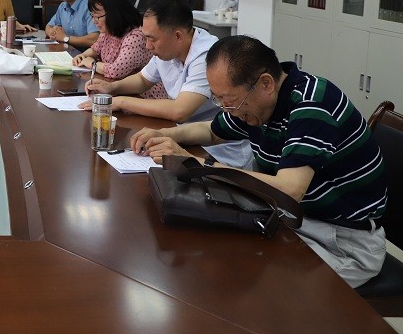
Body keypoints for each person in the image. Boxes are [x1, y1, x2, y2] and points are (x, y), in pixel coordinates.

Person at [129, 34, 387, 288]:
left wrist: (198, 164)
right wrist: (165, 135)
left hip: (342, 242)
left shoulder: (312, 106)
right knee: (212, 253)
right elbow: (212, 131)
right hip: (291, 219)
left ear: (266, 84)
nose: (227, 109)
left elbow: (289, 190)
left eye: (230, 101)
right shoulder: (259, 104)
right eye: (219, 100)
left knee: (252, 285)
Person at [83, 0, 251, 168]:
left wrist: (120, 101)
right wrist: (112, 87)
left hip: (217, 151)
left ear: (178, 36)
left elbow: (179, 111)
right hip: (183, 134)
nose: (147, 46)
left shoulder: (207, 56)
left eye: (152, 39)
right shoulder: (168, 48)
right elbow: (143, 80)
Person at [71, 0, 167, 99]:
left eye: (97, 17)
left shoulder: (135, 37)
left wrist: (93, 64)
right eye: (92, 16)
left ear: (113, 14)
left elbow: (116, 71)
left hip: (143, 95)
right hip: (118, 89)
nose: (94, 21)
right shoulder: (108, 31)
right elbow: (95, 48)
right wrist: (83, 56)